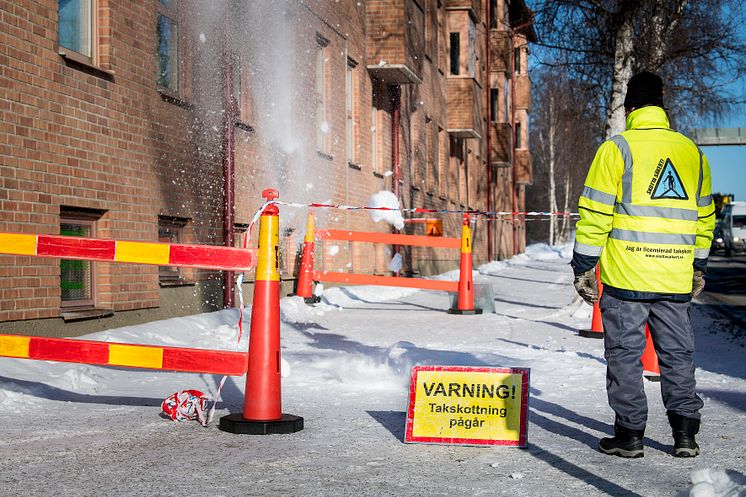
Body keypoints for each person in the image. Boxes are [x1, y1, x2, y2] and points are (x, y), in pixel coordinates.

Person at [571, 71, 715, 458]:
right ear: (662, 105)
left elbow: (595, 214)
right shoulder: (692, 154)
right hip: (675, 278)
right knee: (677, 356)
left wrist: (583, 266)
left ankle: (630, 436)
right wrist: (698, 266)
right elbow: (704, 219)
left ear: (629, 107)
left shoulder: (616, 149)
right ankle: (685, 434)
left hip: (625, 279)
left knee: (624, 356)